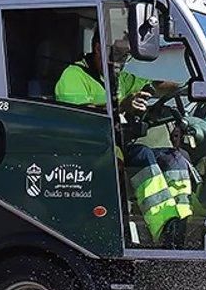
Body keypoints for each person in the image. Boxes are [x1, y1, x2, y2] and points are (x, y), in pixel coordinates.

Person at [55, 27, 195, 246]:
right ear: (99, 48)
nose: (122, 62)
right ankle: (164, 231)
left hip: (118, 147)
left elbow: (154, 86)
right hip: (90, 153)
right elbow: (80, 118)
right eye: (118, 55)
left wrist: (191, 88)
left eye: (126, 57)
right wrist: (123, 105)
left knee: (173, 157)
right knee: (141, 154)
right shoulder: (73, 76)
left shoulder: (119, 77)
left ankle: (182, 226)